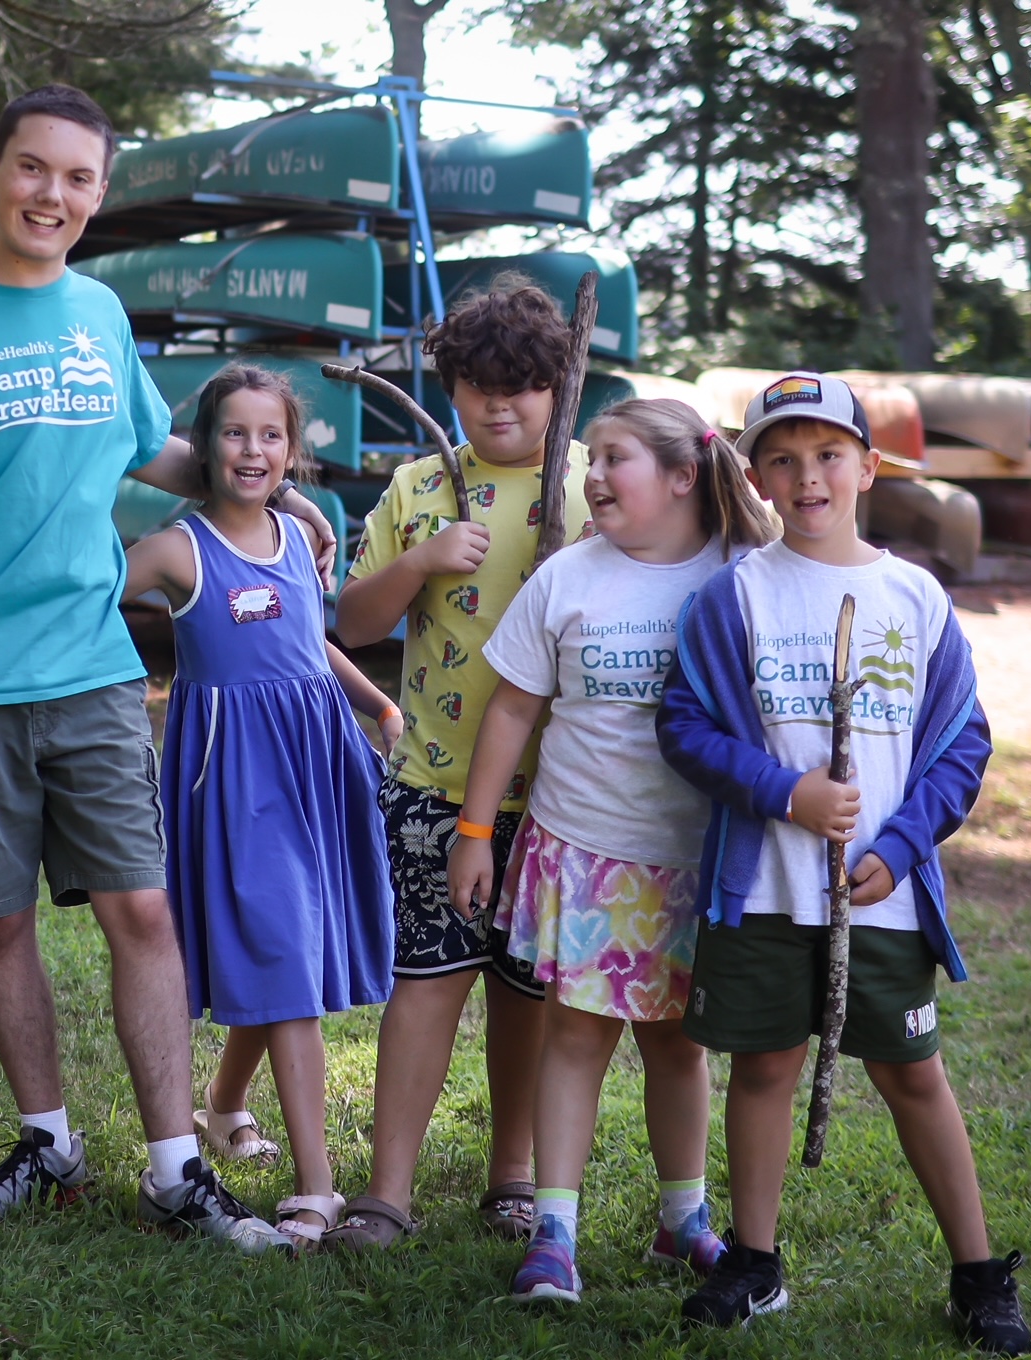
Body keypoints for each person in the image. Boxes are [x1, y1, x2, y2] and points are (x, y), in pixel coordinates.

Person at [0, 83, 338, 1250]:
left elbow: (156, 449)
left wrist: (271, 495)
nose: (52, 194)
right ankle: (48, 1140)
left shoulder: (100, 315)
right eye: (33, 168)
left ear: (98, 193)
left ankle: (177, 1166)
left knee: (141, 907)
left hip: (93, 667)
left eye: (77, 178)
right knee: (0, 919)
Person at [656, 372, 1031, 1353]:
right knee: (765, 1063)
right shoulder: (732, 597)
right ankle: (756, 1259)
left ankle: (979, 1273)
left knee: (914, 1072)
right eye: (782, 456)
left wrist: (902, 844)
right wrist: (787, 793)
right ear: (757, 474)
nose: (807, 474)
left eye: (829, 453)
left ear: (869, 465)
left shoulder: (916, 598)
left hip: (884, 898)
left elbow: (960, 744)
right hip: (765, 892)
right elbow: (685, 726)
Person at [446, 398, 775, 1301]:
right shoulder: (568, 577)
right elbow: (512, 706)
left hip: (698, 859)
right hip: (586, 848)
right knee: (579, 1038)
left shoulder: (742, 572)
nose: (592, 476)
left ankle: (685, 1222)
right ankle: (554, 1232)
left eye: (615, 458)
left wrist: (738, 477)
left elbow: (795, 543)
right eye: (592, 460)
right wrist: (475, 833)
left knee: (678, 1046)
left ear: (683, 476)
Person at [324, 275, 592, 1250]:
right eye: (480, 383)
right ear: (452, 388)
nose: (500, 403)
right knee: (426, 983)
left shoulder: (585, 482)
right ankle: (388, 1187)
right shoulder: (420, 489)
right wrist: (423, 560)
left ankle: (512, 1175)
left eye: (522, 384)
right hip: (434, 787)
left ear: (558, 388)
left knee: (526, 994)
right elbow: (352, 622)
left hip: (561, 801)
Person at [122, 365, 402, 1251]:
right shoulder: (178, 548)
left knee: (288, 949)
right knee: (282, 949)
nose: (252, 450)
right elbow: (84, 604)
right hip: (235, 779)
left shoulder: (299, 536)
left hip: (317, 764)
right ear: (204, 447)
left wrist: (380, 706)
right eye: (233, 434)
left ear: (293, 448)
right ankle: (319, 1185)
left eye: (270, 435)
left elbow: (308, 644)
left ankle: (225, 1104)